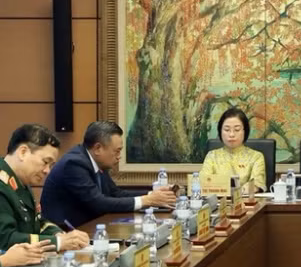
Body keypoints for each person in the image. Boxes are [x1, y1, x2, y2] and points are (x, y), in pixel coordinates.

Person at [41, 121, 176, 228]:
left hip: (89, 229)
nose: (119, 157)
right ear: (98, 148)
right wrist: (147, 200)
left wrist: (153, 195)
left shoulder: (96, 161)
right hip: (67, 234)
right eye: (116, 151)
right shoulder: (74, 164)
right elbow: (98, 203)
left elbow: (115, 193)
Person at [0, 124, 88, 251]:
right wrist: (57, 242)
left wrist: (58, 234)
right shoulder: (3, 185)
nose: (47, 171)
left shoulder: (21, 182)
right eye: (45, 162)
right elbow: (4, 239)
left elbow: (38, 222)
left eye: (51, 165)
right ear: (23, 152)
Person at [200, 107, 267, 189]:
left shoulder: (256, 156)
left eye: (237, 129)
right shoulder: (212, 156)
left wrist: (236, 192)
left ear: (245, 131)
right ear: (220, 131)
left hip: (245, 200)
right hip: (218, 201)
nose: (231, 134)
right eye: (227, 130)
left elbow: (257, 183)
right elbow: (203, 182)